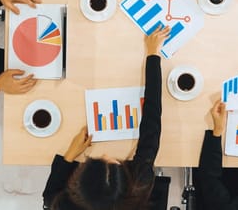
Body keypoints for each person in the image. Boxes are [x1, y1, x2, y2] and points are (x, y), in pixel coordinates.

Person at [42, 25, 171, 210]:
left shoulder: (60, 204)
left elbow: (49, 196)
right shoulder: (139, 182)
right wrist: (153, 55)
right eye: (111, 161)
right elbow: (152, 122)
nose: (104, 153)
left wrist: (71, 152)